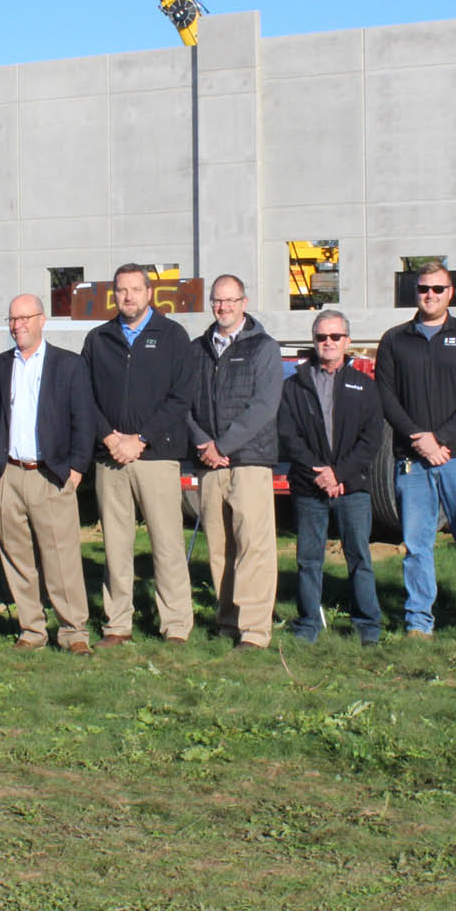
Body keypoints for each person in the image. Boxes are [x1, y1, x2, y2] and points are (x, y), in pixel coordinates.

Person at [375, 261, 456, 645]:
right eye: (424, 289)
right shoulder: (395, 340)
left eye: (438, 289)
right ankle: (418, 620)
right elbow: (386, 396)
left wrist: (441, 439)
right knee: (417, 543)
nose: (430, 295)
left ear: (451, 293)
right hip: (413, 459)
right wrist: (417, 438)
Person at [83, 263, 196, 646]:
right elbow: (85, 397)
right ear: (113, 294)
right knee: (115, 545)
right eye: (121, 290)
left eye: (135, 289)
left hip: (157, 456)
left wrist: (141, 438)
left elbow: (181, 397)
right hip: (110, 457)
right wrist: (109, 437)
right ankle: (118, 624)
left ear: (149, 293)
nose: (127, 297)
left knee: (167, 544)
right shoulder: (99, 339)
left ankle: (176, 625)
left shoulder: (173, 336)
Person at [0, 293, 96, 655]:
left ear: (43, 320)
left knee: (61, 557)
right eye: (13, 319)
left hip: (51, 473)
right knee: (16, 558)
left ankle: (73, 631)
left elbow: (84, 422)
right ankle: (31, 629)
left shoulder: (69, 365)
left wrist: (76, 470)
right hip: (9, 475)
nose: (19, 325)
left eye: (25, 318)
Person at [187, 274, 282, 650]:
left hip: (249, 461)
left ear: (244, 302)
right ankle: (227, 620)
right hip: (210, 465)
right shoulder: (198, 350)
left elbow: (264, 406)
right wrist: (202, 443)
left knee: (253, 547)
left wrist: (223, 445)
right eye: (216, 301)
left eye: (229, 300)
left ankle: (255, 630)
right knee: (220, 547)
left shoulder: (264, 348)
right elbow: (185, 405)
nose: (222, 307)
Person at [279, 310, 383, 645]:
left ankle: (368, 626)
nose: (328, 343)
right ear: (314, 341)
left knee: (359, 558)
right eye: (322, 337)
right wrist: (319, 473)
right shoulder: (294, 386)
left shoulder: (364, 386)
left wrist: (339, 473)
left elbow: (372, 438)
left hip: (352, 487)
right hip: (309, 488)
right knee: (309, 559)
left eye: (335, 337)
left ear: (347, 342)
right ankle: (309, 624)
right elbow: (289, 435)